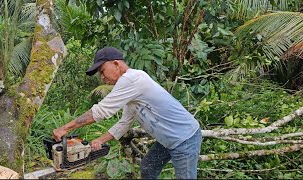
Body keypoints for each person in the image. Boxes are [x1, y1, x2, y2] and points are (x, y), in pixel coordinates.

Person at [52, 47, 202, 179]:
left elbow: (101, 111)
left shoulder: (132, 79)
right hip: (168, 140)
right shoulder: (131, 91)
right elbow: (124, 123)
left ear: (116, 64)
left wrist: (65, 128)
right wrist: (100, 140)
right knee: (148, 169)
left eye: (102, 71)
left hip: (184, 138)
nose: (102, 78)